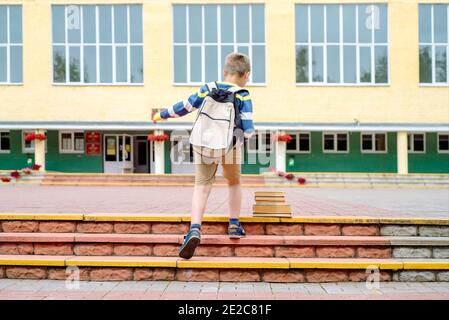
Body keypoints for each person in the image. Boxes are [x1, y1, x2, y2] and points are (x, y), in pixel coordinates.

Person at [152, 53, 255, 259]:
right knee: (234, 182)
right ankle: (234, 225)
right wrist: (238, 141)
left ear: (225, 72)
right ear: (247, 74)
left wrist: (161, 114)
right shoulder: (243, 94)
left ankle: (195, 229)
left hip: (204, 143)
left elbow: (185, 107)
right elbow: (248, 128)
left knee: (201, 186)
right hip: (230, 145)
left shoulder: (207, 89)